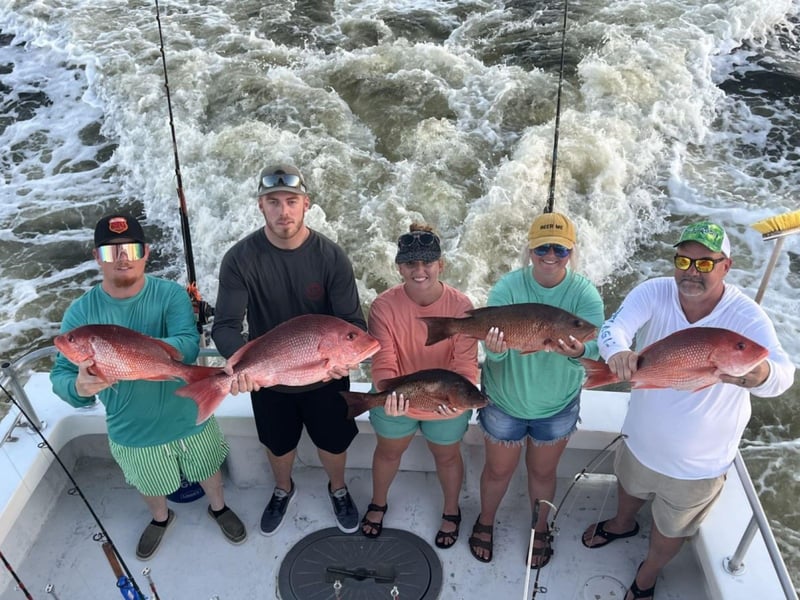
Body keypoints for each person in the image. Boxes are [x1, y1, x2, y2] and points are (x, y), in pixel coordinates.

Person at [581, 221, 795, 600]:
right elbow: (614, 328)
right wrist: (618, 354)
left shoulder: (746, 318)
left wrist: (756, 373)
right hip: (640, 438)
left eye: (705, 264)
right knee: (628, 489)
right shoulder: (655, 292)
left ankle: (646, 576)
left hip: (698, 465)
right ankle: (621, 523)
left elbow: (782, 376)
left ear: (726, 266)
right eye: (684, 260)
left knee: (672, 529)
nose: (692, 271)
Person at [50, 214, 246, 560]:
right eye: (111, 252)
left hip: (189, 415)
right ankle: (161, 517)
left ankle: (218, 507)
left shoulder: (169, 294)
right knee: (150, 484)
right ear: (97, 257)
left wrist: (136, 353)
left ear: (146, 253)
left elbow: (187, 342)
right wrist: (80, 387)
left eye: (131, 249)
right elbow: (60, 377)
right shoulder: (80, 313)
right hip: (131, 430)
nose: (123, 258)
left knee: (208, 469)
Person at [212, 164, 364, 536]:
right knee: (277, 446)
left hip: (323, 375)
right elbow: (225, 327)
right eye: (273, 202)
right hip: (269, 378)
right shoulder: (239, 259)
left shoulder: (331, 257)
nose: (284, 211)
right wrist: (242, 368)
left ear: (306, 204)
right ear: (260, 206)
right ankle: (283, 489)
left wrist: (341, 365)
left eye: (291, 201)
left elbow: (354, 325)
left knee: (333, 441)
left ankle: (338, 488)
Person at [469, 212, 604, 567]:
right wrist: (494, 350)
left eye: (559, 249)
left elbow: (596, 345)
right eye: (542, 247)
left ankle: (540, 529)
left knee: (543, 473)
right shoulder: (507, 288)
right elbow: (492, 357)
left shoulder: (584, 294)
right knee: (497, 471)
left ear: (571, 253)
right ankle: (485, 520)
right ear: (530, 250)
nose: (550, 255)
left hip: (556, 407)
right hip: (504, 402)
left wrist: (579, 351)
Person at [361, 223, 479, 547]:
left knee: (447, 456)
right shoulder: (383, 307)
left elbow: (466, 365)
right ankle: (378, 502)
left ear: (442, 265)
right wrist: (389, 394)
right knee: (388, 452)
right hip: (396, 397)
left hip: (448, 400)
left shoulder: (461, 307)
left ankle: (451, 510)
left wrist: (456, 398)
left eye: (428, 262)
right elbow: (383, 363)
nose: (420, 270)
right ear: (399, 267)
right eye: (411, 264)